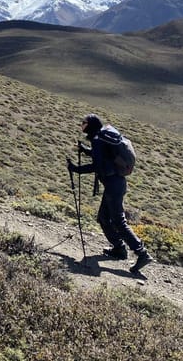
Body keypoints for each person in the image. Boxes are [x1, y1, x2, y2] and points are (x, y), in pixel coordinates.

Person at [67, 113, 153, 274]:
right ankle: (119, 249)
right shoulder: (100, 138)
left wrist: (76, 169)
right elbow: (103, 157)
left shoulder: (98, 140)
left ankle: (142, 254)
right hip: (115, 184)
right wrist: (85, 150)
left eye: (84, 123)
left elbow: (97, 166)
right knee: (103, 218)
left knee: (118, 221)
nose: (82, 126)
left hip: (113, 185)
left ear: (90, 125)